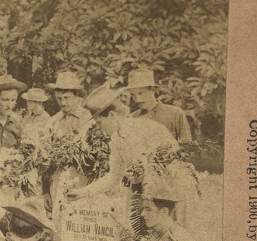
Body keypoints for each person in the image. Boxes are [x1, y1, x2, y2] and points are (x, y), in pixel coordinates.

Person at [66, 85, 192, 230]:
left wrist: (143, 177)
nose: (99, 128)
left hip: (170, 196)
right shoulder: (116, 140)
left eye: (100, 122)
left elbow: (174, 166)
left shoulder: (147, 128)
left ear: (112, 116)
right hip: (144, 198)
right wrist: (82, 193)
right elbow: (114, 177)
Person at [127, 69, 192, 143]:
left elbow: (187, 146)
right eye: (133, 95)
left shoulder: (175, 114)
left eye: (140, 93)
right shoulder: (133, 118)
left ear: (152, 90)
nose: (137, 100)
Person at [45, 71, 91, 139]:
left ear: (77, 95)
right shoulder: (53, 121)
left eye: (67, 98)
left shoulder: (87, 118)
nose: (63, 103)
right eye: (59, 98)